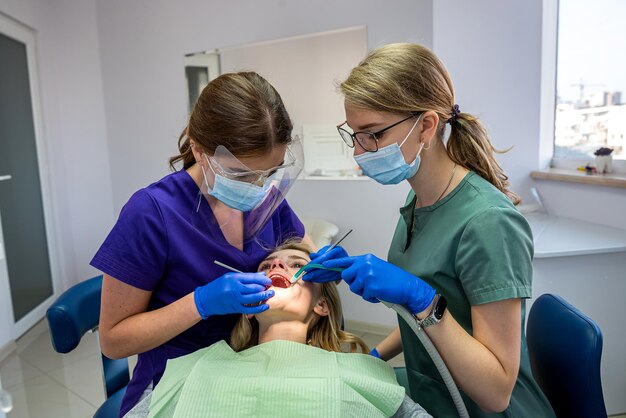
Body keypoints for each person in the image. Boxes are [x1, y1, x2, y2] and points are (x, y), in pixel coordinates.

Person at [303, 43, 555, 417]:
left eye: (372, 134)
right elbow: (422, 322)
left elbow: (497, 391)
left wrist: (423, 300)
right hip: (434, 388)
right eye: (353, 134)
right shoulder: (419, 199)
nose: (359, 152)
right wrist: (373, 357)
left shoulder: (488, 222)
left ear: (426, 125)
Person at [91, 72, 314, 417]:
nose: (258, 187)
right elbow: (114, 340)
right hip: (177, 385)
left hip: (253, 373)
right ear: (198, 149)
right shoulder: (152, 213)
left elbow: (307, 260)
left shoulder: (268, 199)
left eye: (268, 173)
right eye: (240, 175)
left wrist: (324, 267)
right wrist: (199, 304)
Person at [123, 240, 432, 418]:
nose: (276, 268)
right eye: (265, 267)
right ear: (245, 308)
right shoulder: (192, 368)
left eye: (296, 264)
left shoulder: (360, 372)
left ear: (321, 306)